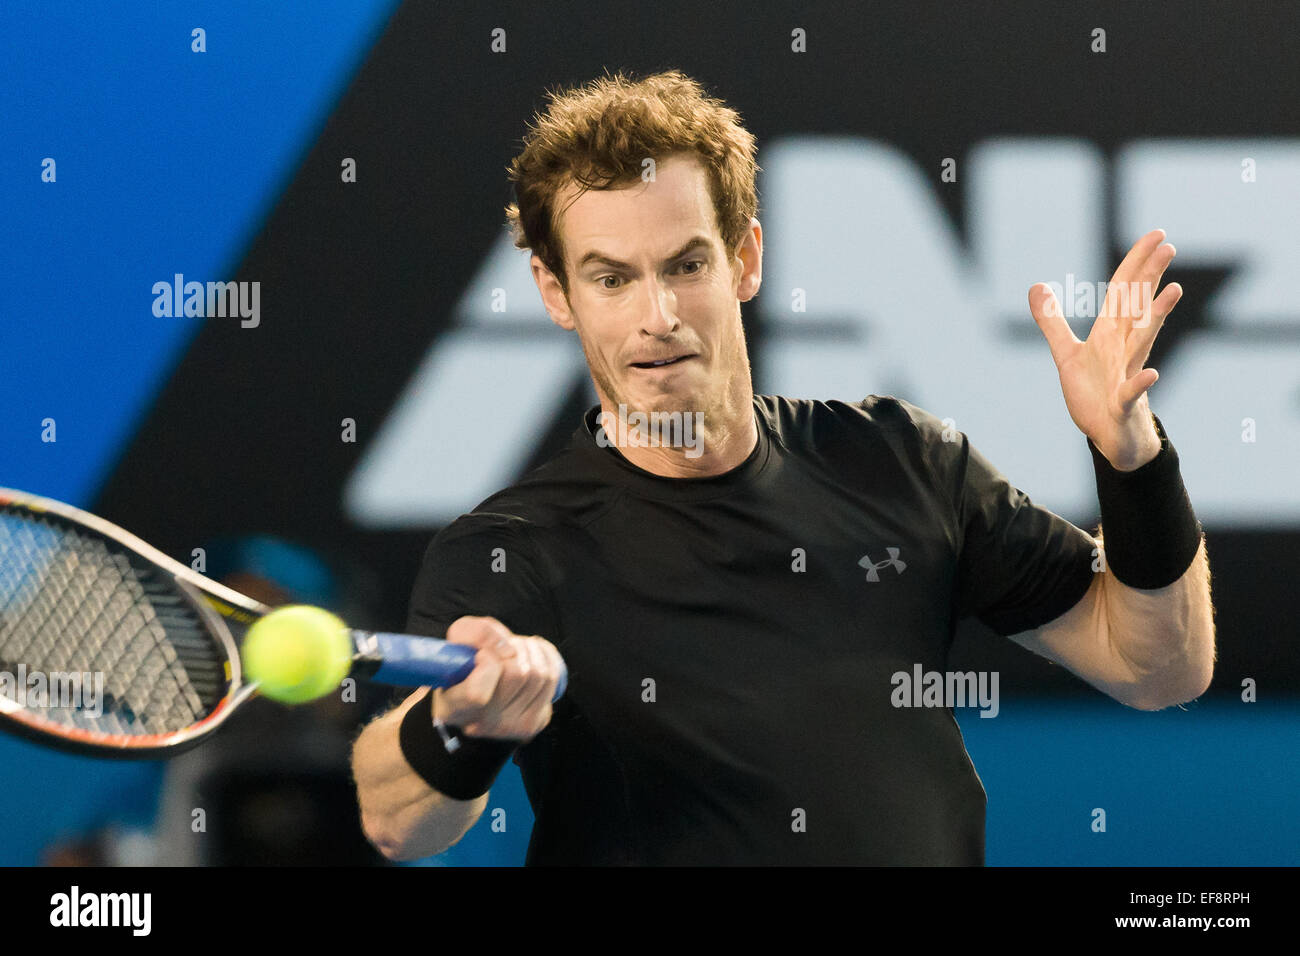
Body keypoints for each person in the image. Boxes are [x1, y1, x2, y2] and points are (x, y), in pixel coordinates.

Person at [350, 70, 1215, 865]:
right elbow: (397, 819)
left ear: (745, 258)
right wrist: (458, 725)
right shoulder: (511, 549)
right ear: (554, 293)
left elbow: (1158, 668)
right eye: (610, 279)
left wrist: (1131, 457)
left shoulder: (903, 461)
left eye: (685, 265)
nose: (657, 316)